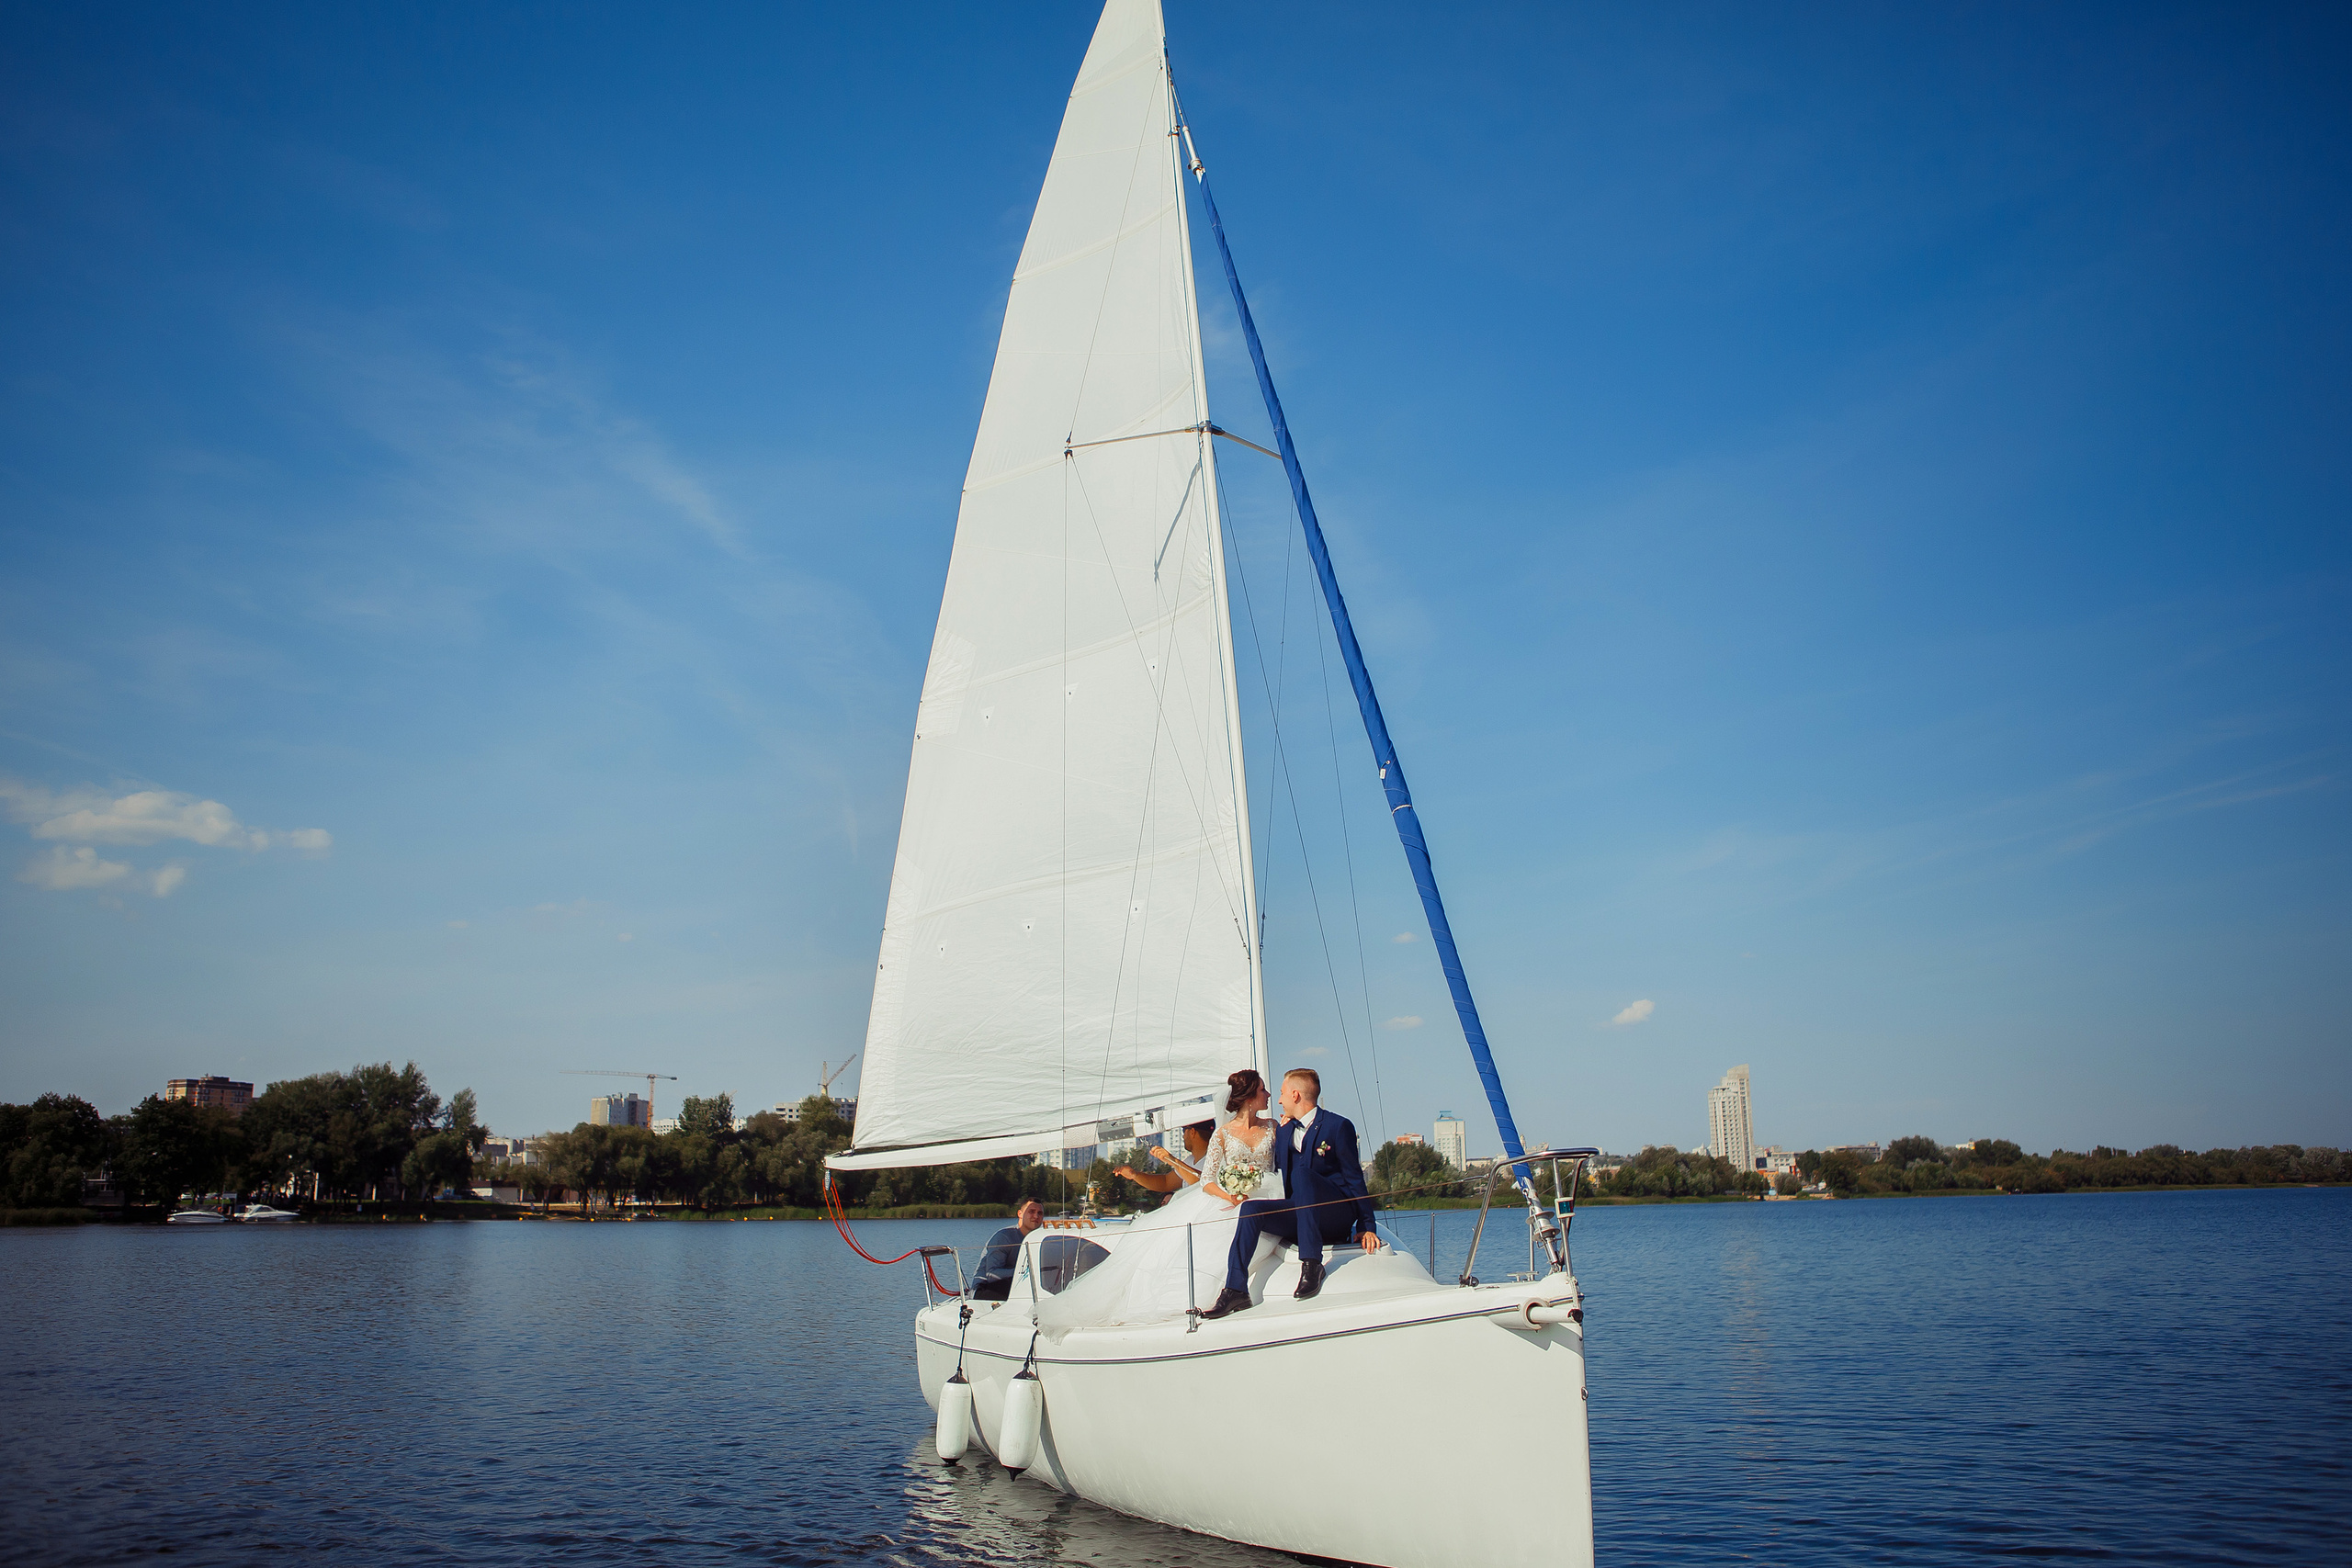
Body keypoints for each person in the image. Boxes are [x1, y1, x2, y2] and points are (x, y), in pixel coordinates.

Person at [1201, 1066, 1378, 1317]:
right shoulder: (1281, 1131)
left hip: (1334, 1214)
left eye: (1283, 1093)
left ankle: (1312, 1263)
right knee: (1250, 1210)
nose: (1278, 1098)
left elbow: (1354, 1178)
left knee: (1302, 1174)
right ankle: (1235, 1290)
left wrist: (1367, 1225)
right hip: (1299, 1212)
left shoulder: (1338, 1126)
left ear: (1295, 1096)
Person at [969, 1197, 1045, 1301]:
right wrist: (1026, 1272)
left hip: (1016, 1286)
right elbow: (991, 1274)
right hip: (984, 1289)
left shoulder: (1040, 1238)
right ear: (1020, 1214)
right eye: (1031, 1211)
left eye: (1040, 1213)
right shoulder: (1003, 1237)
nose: (1036, 1216)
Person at [1114, 1119, 1215, 1195]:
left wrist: (1173, 1161)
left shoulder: (1214, 1159)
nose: (1183, 1136)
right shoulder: (1190, 1161)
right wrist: (1134, 1175)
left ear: (1192, 1132)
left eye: (1184, 1131)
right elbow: (1165, 1182)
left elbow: (1203, 1182)